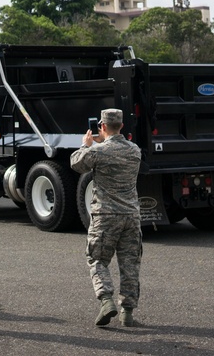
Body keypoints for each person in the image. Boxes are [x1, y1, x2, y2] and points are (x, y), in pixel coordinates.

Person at [71, 108, 142, 327]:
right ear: (121, 126)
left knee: (97, 259)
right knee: (130, 264)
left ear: (102, 126)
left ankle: (106, 300)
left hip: (105, 216)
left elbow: (76, 163)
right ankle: (127, 313)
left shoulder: (98, 151)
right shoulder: (135, 151)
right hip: (131, 215)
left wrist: (86, 144)